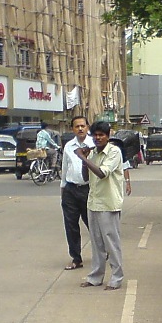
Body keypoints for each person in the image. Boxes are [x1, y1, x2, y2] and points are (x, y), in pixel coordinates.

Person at [75, 121, 125, 291]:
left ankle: (116, 278)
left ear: (108, 135)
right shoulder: (94, 153)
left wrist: (82, 157)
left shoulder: (114, 152)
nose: (97, 138)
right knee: (96, 244)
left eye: (101, 135)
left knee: (111, 243)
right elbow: (86, 177)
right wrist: (85, 160)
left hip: (108, 204)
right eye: (95, 135)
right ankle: (95, 277)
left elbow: (102, 173)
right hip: (93, 203)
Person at [60, 115, 95, 270]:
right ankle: (76, 258)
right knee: (71, 225)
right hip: (70, 190)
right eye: (77, 126)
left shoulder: (94, 144)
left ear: (87, 127)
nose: (80, 128)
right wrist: (63, 189)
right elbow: (64, 168)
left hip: (89, 190)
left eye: (83, 126)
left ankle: (102, 251)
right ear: (72, 129)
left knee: (93, 224)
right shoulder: (69, 146)